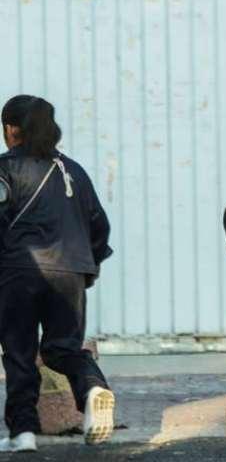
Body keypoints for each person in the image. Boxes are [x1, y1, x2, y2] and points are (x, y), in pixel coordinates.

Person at [0, 96, 116, 452]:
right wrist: (87, 267)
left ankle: (23, 434)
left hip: (19, 269)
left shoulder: (4, 168)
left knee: (19, 351)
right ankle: (93, 389)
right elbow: (99, 225)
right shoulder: (74, 171)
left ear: (11, 129)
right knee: (62, 349)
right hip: (71, 271)